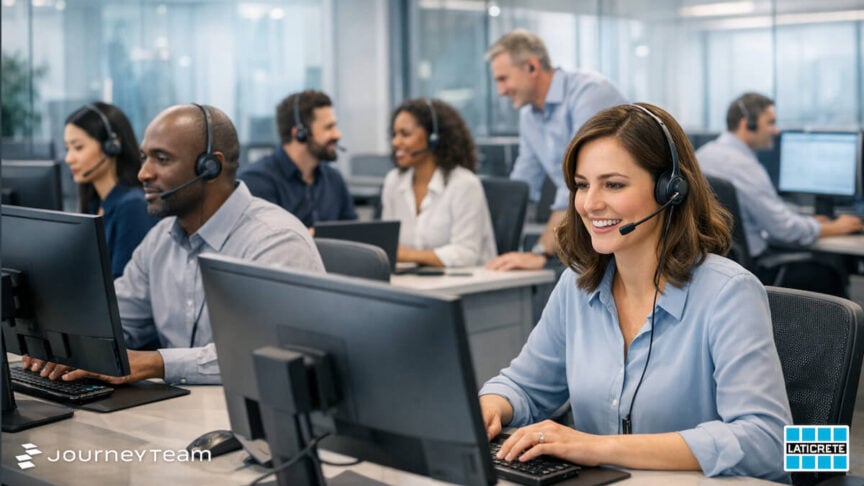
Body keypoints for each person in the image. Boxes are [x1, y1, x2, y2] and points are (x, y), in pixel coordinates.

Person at [479, 103, 791, 482]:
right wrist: (491, 406)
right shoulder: (578, 285)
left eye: (613, 184)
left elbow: (768, 442)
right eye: (581, 184)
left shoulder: (729, 295)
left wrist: (594, 447)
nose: (590, 203)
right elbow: (525, 385)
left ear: (670, 190)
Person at [25, 103, 324, 385]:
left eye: (162, 159)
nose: (144, 173)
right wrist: (66, 345)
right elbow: (118, 316)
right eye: (144, 158)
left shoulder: (275, 241)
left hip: (249, 414)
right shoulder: (160, 240)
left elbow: (267, 351)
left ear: (210, 167)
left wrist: (155, 363)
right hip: (181, 410)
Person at [484, 29, 627, 271]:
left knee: (552, 275)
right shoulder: (529, 115)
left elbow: (579, 183)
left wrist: (540, 251)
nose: (500, 91)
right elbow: (524, 181)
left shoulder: (589, 94)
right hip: (586, 222)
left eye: (503, 79)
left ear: (531, 67)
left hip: (617, 220)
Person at [696, 92, 862, 294]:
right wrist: (834, 227)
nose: (776, 130)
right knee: (831, 272)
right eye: (770, 122)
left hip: (715, 269)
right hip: (755, 273)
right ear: (747, 124)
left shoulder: (702, 155)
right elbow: (783, 230)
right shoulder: (744, 166)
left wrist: (812, 223)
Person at [381, 98, 497, 268]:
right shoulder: (394, 181)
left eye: (405, 134)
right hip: (416, 284)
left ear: (433, 137)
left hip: (467, 286)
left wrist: (408, 255)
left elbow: (466, 253)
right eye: (394, 135)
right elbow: (388, 243)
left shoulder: (464, 184)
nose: (395, 142)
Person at [64, 102, 159, 278]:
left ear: (111, 146)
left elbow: (123, 287)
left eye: (78, 147)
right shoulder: (95, 204)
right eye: (67, 148)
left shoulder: (132, 206)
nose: (68, 158)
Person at [238, 90, 357, 227]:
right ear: (300, 133)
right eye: (328, 127)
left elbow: (353, 233)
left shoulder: (334, 179)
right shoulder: (256, 181)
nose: (337, 134)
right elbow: (264, 241)